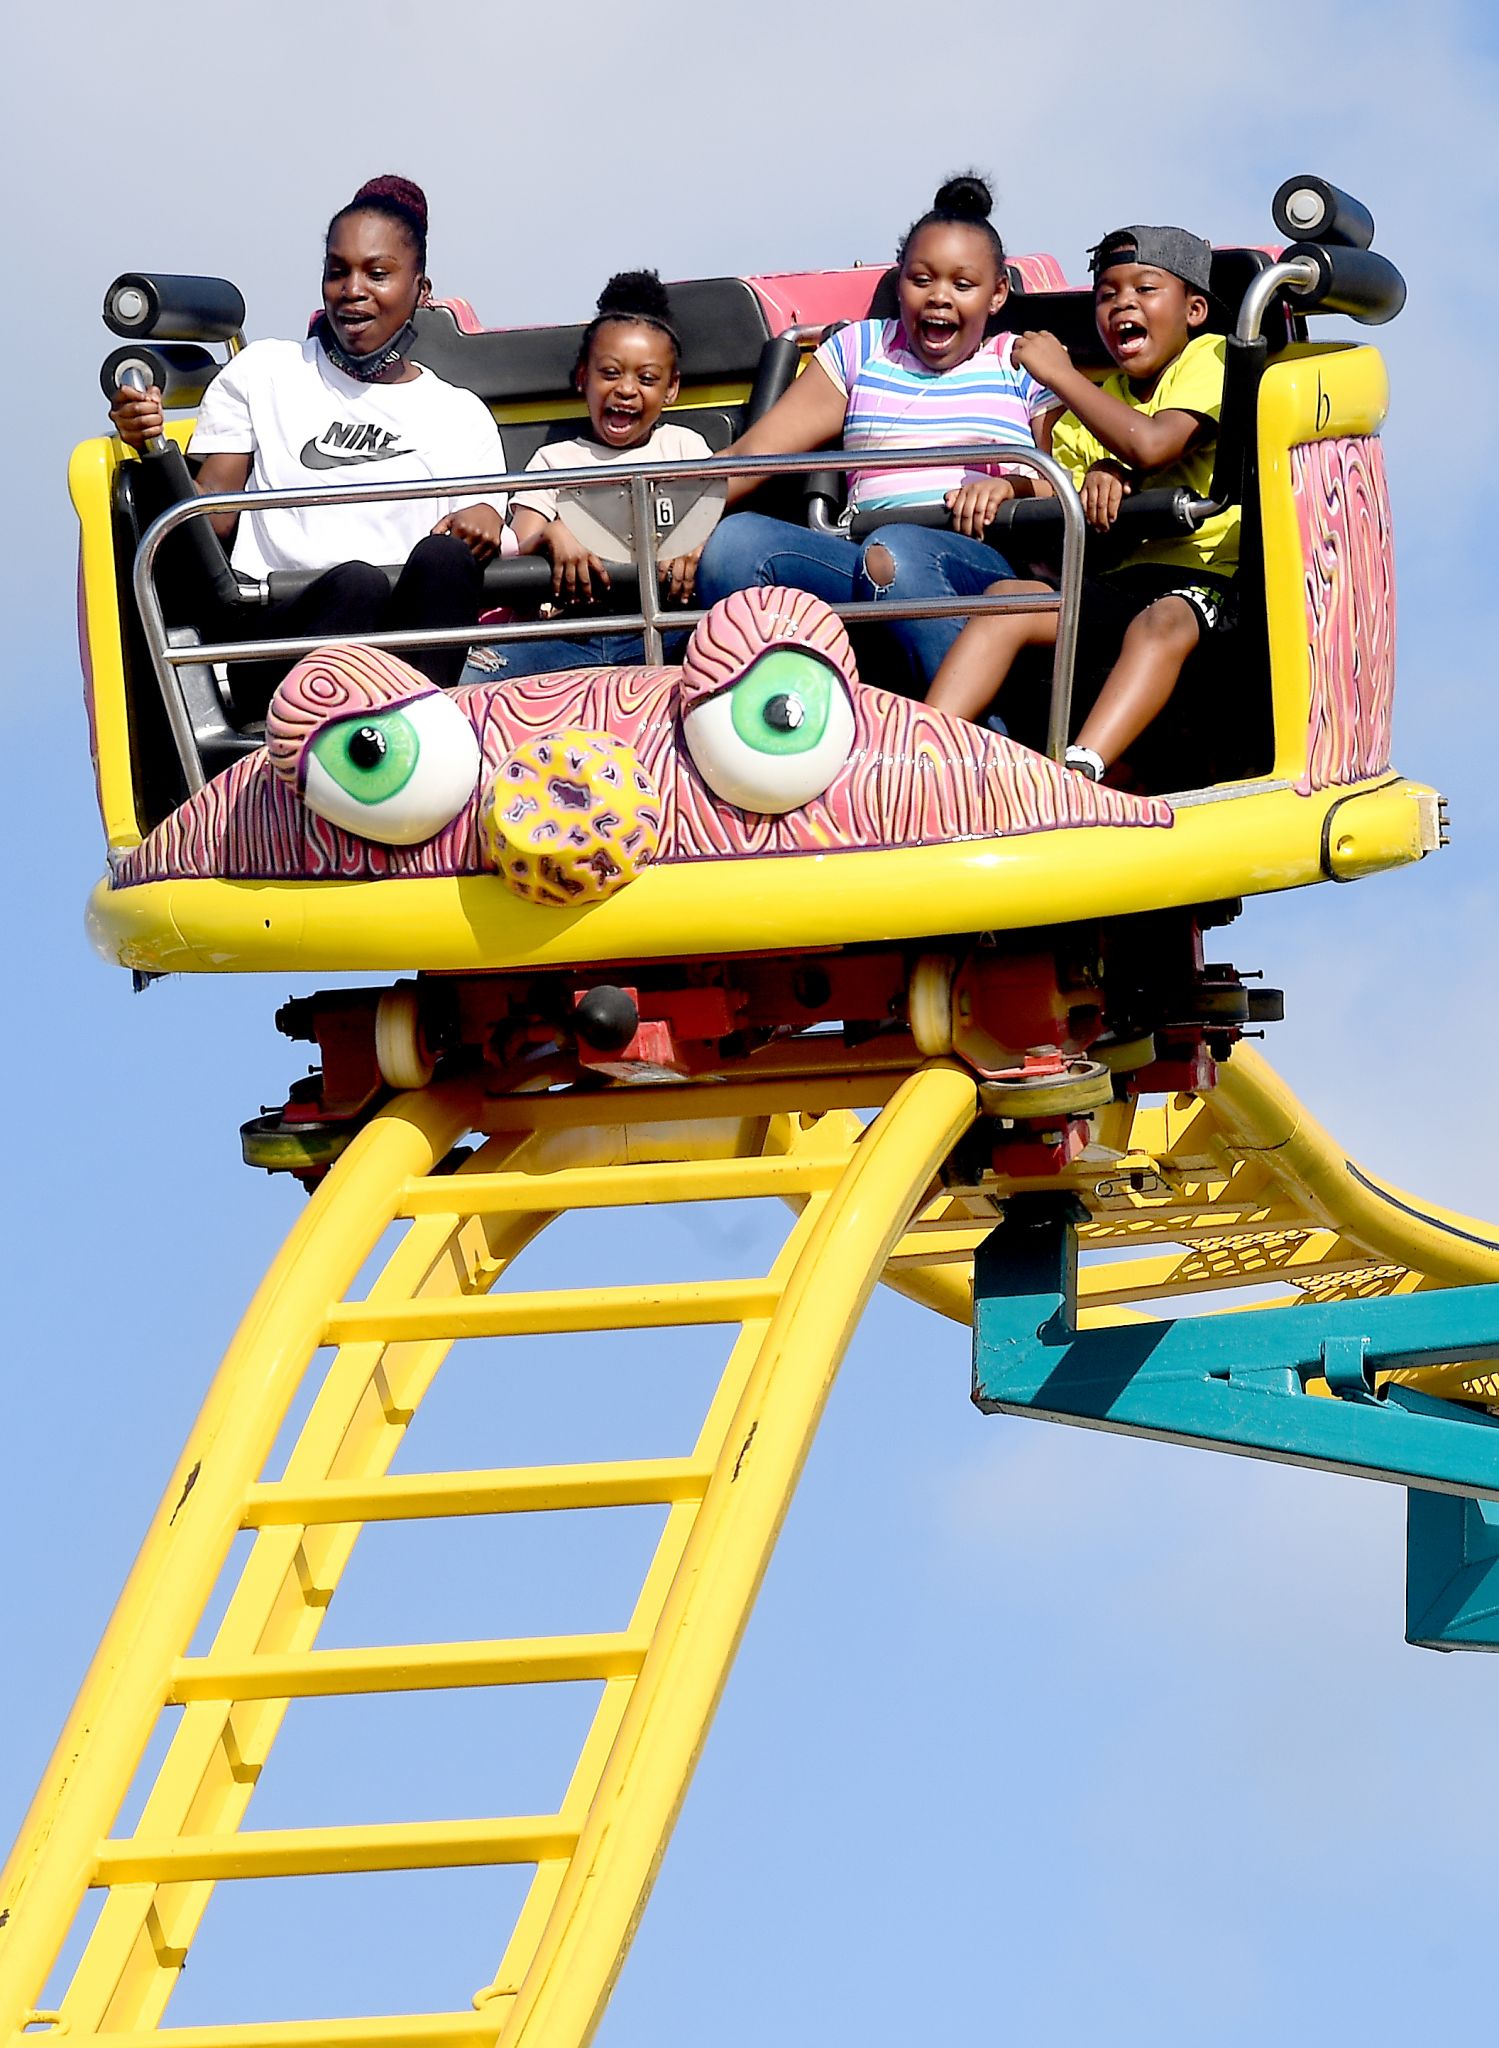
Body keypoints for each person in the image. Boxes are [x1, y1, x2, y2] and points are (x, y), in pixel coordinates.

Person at [108, 175, 508, 706]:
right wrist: (152, 446)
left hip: (403, 655)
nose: (353, 290)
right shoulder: (266, 371)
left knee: (443, 561)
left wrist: (484, 519)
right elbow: (212, 518)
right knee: (355, 586)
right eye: (337, 272)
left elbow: (477, 529)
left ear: (421, 290)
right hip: (281, 640)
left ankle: (412, 731)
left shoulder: (460, 413)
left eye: (378, 273)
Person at [692, 175, 1061, 691]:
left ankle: (970, 743)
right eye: (921, 279)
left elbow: (1062, 480)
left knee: (899, 553)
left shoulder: (1019, 362)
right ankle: (775, 732)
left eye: (962, 285)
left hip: (980, 556)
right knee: (734, 543)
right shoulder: (862, 350)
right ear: (899, 279)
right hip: (863, 550)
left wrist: (1011, 487)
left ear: (997, 293)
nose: (938, 298)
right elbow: (752, 455)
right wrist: (684, 525)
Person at [925, 225, 1239, 781]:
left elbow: (1151, 443)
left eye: (1144, 290)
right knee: (1008, 599)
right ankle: (919, 755)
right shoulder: (1101, 403)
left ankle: (1078, 770)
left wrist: (1062, 376)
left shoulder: (1209, 359)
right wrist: (1014, 487)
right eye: (1107, 294)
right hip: (1119, 585)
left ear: (1193, 309)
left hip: (1203, 581)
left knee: (1161, 622)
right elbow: (1058, 488)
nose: (1123, 304)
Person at [462, 270, 712, 682]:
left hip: (667, 625)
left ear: (671, 389)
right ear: (583, 378)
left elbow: (712, 518)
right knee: (475, 679)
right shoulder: (554, 459)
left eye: (646, 379)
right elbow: (521, 544)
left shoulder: (685, 449)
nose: (626, 390)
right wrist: (556, 533)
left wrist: (693, 539)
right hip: (568, 629)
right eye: (610, 374)